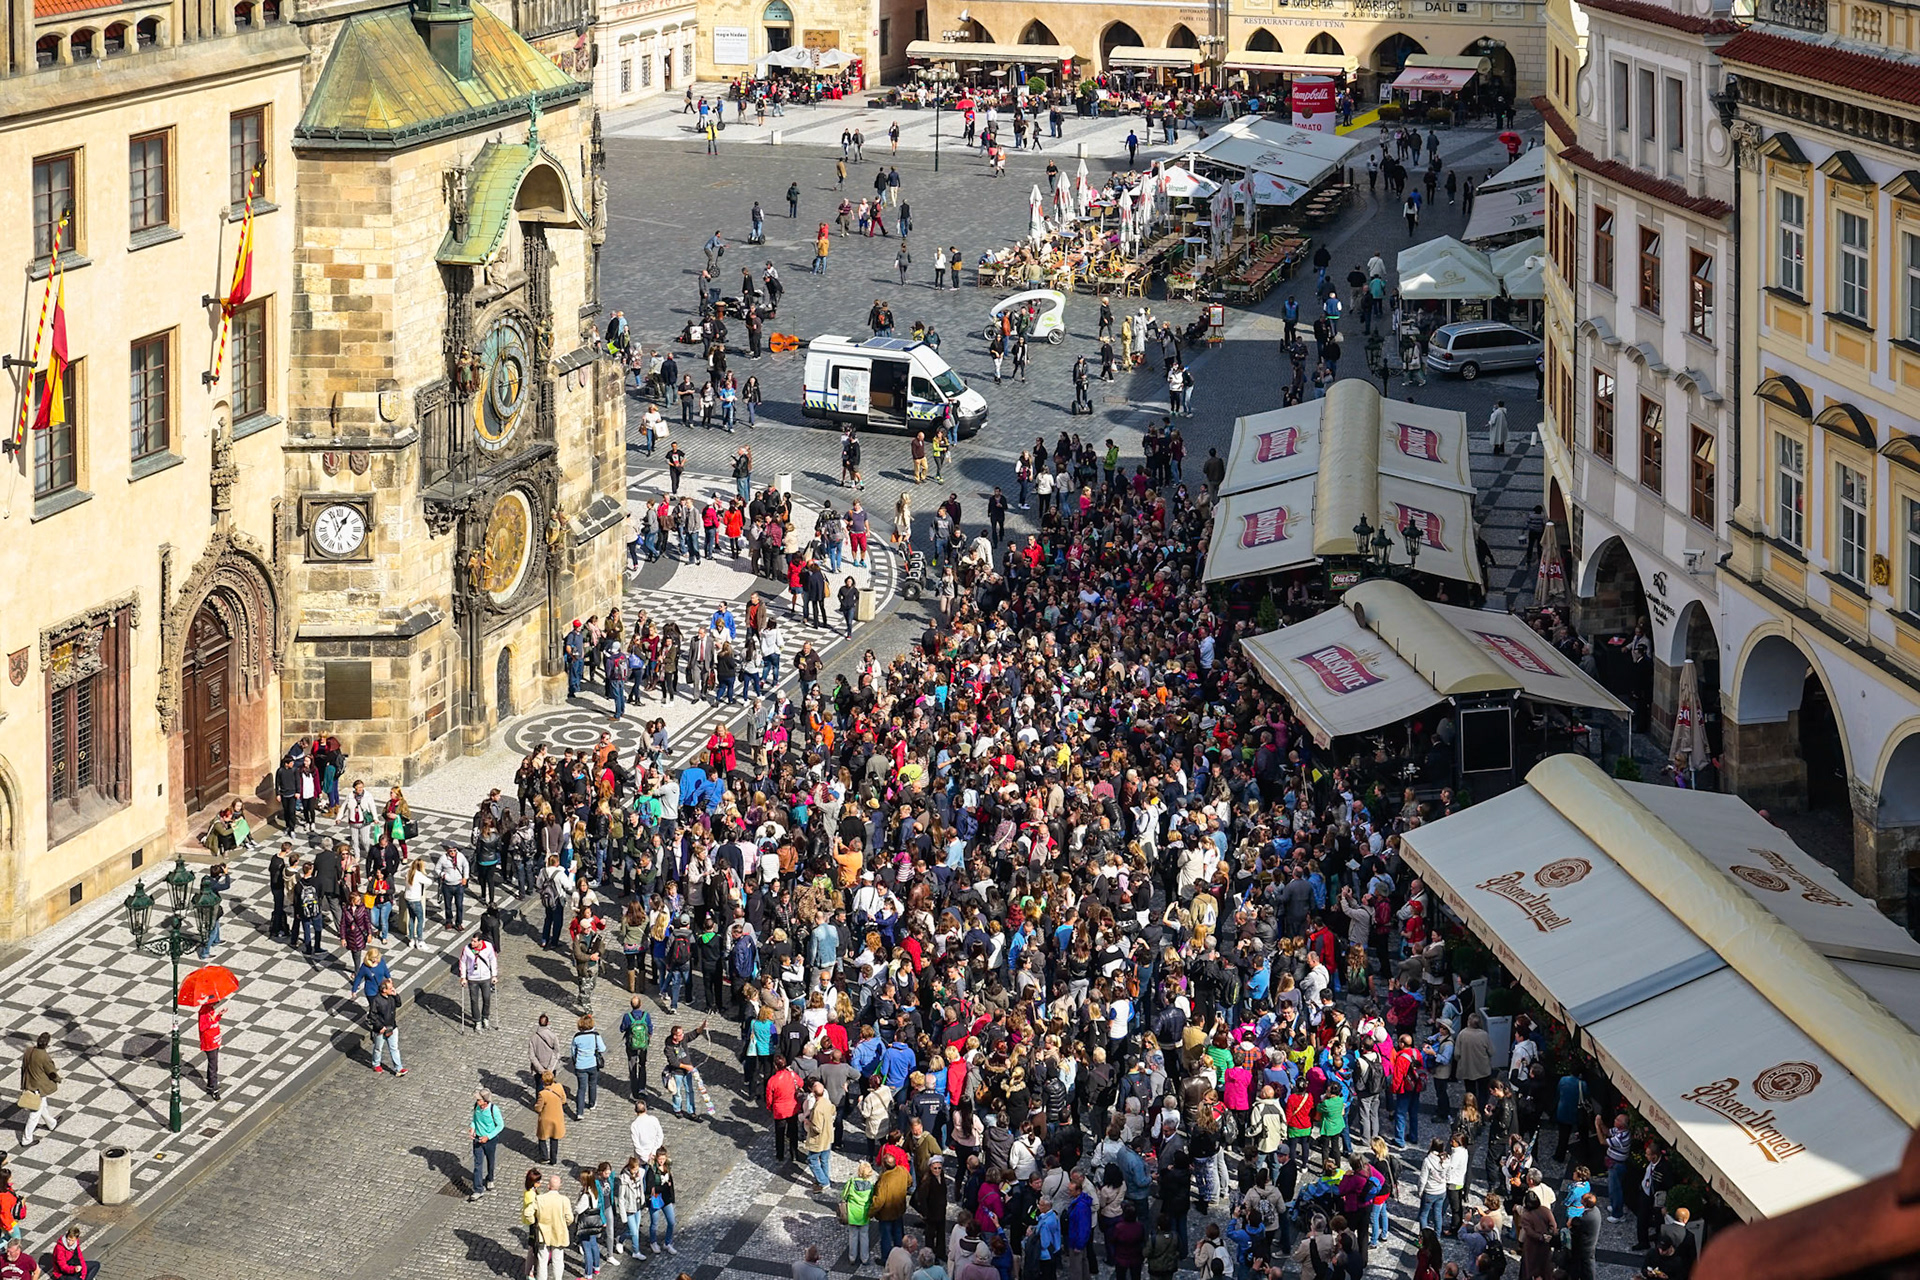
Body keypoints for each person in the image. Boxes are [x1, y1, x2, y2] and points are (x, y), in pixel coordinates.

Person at [18, 1033, 59, 1147]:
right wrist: (58, 1079)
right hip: (38, 1088)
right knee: (34, 1114)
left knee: (42, 1105)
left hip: (29, 1083)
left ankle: (51, 1123)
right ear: (47, 1044)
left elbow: (24, 1066)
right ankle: (26, 1139)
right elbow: (51, 1072)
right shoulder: (44, 1056)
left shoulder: (28, 1051)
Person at [531, 1173, 573, 1280]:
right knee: (558, 1260)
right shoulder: (564, 1200)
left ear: (548, 1186)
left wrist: (534, 1222)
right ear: (559, 1186)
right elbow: (570, 1218)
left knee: (542, 1260)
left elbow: (528, 1213)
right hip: (559, 1233)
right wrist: (564, 1224)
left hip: (542, 1233)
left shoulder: (540, 1199)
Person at [366, 976, 406, 1076]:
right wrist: (380, 1026)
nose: (392, 989)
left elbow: (399, 1004)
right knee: (378, 1048)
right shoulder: (376, 1000)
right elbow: (372, 1015)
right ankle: (376, 1064)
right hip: (381, 1029)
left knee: (394, 1048)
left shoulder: (392, 996)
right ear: (384, 990)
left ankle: (399, 1068)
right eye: (390, 988)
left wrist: (396, 995)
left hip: (392, 1027)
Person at [471, 1088, 504, 1200]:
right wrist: (472, 1128)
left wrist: (488, 1137)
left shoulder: (493, 1110)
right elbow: (474, 1119)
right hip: (477, 1139)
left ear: (485, 1101)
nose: (477, 1101)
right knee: (477, 1165)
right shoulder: (476, 1107)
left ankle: (490, 1178)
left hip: (490, 1140)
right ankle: (478, 1189)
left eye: (479, 1100)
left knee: (490, 1160)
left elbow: (500, 1126)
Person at [460, 934, 498, 1030]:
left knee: (487, 998)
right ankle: (477, 1021)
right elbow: (462, 962)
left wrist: (494, 975)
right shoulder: (467, 949)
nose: (472, 943)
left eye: (475, 941)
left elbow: (493, 959)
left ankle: (485, 1018)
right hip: (473, 978)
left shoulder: (488, 946)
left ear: (480, 942)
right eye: (472, 941)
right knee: (474, 1000)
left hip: (485, 977)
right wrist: (463, 977)